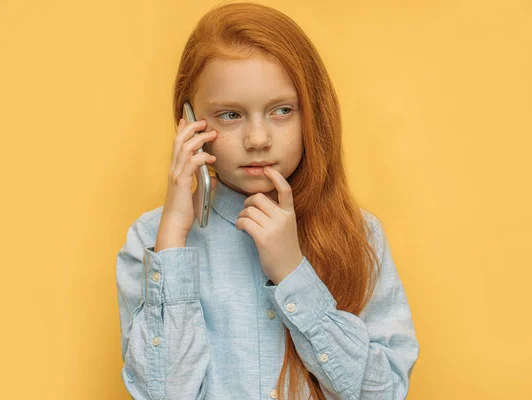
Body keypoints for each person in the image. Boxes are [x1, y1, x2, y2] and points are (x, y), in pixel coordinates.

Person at [116, 2, 419, 399]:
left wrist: (294, 274)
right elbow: (163, 393)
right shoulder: (152, 241)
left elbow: (385, 392)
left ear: (313, 113)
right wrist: (173, 233)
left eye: (281, 110)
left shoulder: (359, 235)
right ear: (189, 122)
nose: (257, 139)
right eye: (230, 115)